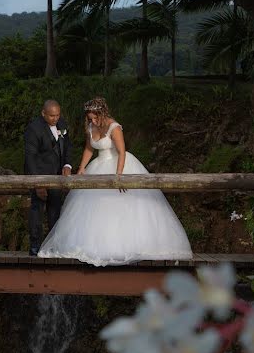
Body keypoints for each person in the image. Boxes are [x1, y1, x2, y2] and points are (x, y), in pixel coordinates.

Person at [37, 97, 193, 265]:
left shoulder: (114, 127)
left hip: (119, 164)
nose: (93, 120)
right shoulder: (91, 126)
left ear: (102, 113)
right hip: (97, 166)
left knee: (121, 206)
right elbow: (89, 148)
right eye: (90, 118)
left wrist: (118, 175)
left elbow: (122, 151)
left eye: (95, 117)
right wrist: (82, 167)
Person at [24, 99, 73, 256]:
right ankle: (35, 246)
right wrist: (38, 183)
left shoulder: (62, 124)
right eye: (52, 116)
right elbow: (30, 157)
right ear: (43, 113)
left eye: (58, 115)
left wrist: (67, 165)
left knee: (55, 211)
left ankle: (54, 245)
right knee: (37, 211)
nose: (55, 118)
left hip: (58, 176)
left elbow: (68, 147)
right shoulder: (33, 129)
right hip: (39, 175)